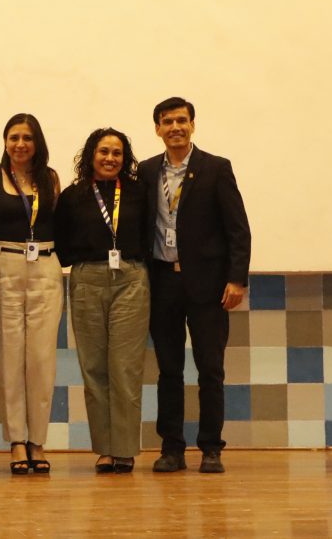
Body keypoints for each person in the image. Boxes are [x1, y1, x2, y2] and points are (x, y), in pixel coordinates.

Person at [138, 97, 251, 474]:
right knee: (168, 370)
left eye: (181, 120)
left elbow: (238, 229)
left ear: (193, 125)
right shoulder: (147, 171)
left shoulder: (215, 168)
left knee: (210, 370)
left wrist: (237, 279)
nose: (175, 127)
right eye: (167, 121)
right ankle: (171, 448)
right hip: (163, 283)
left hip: (208, 285)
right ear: (157, 129)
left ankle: (211, 448)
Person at [0, 114, 62, 474]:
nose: (20, 144)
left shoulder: (50, 179)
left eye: (27, 138)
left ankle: (38, 440)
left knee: (41, 360)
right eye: (13, 137)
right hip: (3, 266)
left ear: (37, 142)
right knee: (8, 360)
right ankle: (17, 442)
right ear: (5, 141)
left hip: (46, 269)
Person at [54, 128, 150, 474]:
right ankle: (104, 449)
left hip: (131, 279)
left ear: (125, 159)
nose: (110, 158)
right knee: (94, 369)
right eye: (104, 151)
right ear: (91, 154)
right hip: (86, 280)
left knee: (124, 367)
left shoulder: (140, 192)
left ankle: (124, 449)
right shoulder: (72, 196)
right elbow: (62, 247)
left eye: (117, 153)